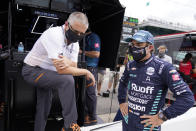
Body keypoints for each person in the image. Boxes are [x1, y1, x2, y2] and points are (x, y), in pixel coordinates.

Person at [22, 12, 95, 131]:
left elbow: (74, 67)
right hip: (32, 71)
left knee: (44, 107)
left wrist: (67, 62)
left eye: (81, 34)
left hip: (48, 73)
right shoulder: (54, 34)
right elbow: (63, 70)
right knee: (67, 80)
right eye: (75, 31)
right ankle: (70, 125)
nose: (78, 35)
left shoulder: (75, 44)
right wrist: (86, 72)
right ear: (67, 24)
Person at [118, 30, 194, 131]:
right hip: (128, 123)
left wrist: (162, 116)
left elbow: (187, 99)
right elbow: (123, 83)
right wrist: (122, 101)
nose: (134, 47)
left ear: (150, 47)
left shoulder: (164, 68)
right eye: (132, 44)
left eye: (139, 44)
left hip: (148, 127)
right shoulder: (130, 64)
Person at [81, 30, 101, 126]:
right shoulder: (81, 36)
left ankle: (91, 118)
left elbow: (96, 54)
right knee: (82, 94)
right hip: (81, 67)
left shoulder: (93, 37)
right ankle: (84, 116)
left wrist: (82, 52)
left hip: (90, 68)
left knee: (90, 94)